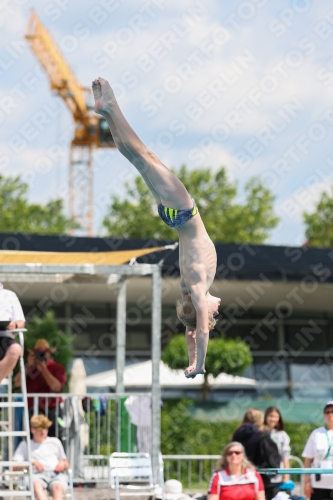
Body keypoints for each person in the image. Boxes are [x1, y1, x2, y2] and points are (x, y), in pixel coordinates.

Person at [92, 77, 221, 379]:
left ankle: (111, 106)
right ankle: (107, 111)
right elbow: (192, 329)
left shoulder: (199, 287)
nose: (217, 310)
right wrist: (191, 361)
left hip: (186, 214)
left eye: (215, 314)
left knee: (145, 155)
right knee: (136, 158)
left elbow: (200, 330)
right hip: (173, 217)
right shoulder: (189, 288)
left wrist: (200, 364)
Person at [14, 339, 66, 438]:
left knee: (54, 440)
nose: (41, 355)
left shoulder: (57, 368)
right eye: (38, 353)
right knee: (31, 441)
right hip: (32, 411)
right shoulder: (30, 369)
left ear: (49, 354)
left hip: (52, 411)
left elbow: (57, 388)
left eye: (43, 353)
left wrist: (43, 368)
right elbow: (17, 383)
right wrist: (27, 366)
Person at [13, 414, 69, 500]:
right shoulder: (25, 445)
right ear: (32, 430)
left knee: (58, 487)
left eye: (45, 428)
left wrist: (62, 463)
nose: (43, 431)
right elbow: (14, 466)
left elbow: (66, 463)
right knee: (36, 485)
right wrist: (32, 463)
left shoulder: (55, 442)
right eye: (40, 428)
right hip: (36, 475)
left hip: (55, 474)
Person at [232, 407, 281, 500]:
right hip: (259, 476)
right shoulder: (262, 432)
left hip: (239, 474)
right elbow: (270, 455)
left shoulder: (237, 433)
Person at [302, 400, 333, 500]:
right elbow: (308, 460)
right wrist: (306, 483)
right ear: (324, 414)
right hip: (318, 484)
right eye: (327, 412)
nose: (330, 414)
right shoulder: (316, 433)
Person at [0, 282, 25, 383]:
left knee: (16, 349)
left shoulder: (10, 295)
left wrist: (14, 325)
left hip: (4, 337)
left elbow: (21, 322)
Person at [264, 406, 291, 485]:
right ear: (265, 417)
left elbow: (285, 457)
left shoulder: (282, 435)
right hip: (262, 474)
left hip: (277, 475)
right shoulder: (259, 432)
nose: (273, 419)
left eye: (276, 417)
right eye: (271, 416)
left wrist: (286, 476)